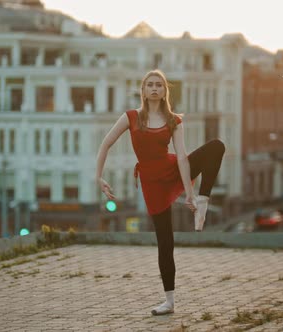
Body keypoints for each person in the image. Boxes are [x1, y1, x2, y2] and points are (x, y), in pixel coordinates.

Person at [95, 70, 225, 316]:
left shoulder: (174, 120)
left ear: (165, 90)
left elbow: (183, 158)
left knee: (217, 146)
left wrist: (190, 193)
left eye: (159, 85)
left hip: (172, 169)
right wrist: (98, 176)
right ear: (143, 90)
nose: (154, 88)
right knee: (165, 242)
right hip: (152, 184)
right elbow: (106, 143)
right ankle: (169, 302)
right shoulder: (131, 117)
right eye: (150, 85)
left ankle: (203, 200)